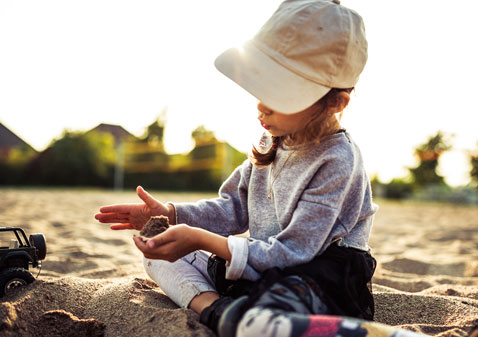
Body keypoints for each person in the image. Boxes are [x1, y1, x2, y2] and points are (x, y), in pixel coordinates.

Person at [95, 0, 378, 336]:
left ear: (334, 103)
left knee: (280, 305)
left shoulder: (338, 159)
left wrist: (201, 238)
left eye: (279, 93)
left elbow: (295, 251)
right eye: (260, 85)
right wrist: (172, 215)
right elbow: (232, 207)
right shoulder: (273, 138)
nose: (261, 104)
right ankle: (216, 309)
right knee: (159, 254)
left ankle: (253, 318)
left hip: (316, 274)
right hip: (263, 262)